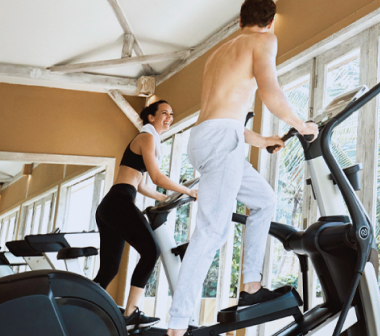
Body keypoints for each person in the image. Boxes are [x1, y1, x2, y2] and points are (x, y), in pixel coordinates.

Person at [166, 0, 319, 334]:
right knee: (212, 231)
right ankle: (177, 324)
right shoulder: (264, 40)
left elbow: (223, 116)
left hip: (210, 138)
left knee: (264, 200)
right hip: (222, 141)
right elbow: (271, 91)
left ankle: (251, 286)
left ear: (240, 19)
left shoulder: (220, 52)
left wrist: (262, 141)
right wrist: (301, 124)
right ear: (270, 21)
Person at [93, 100, 198, 331]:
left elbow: (140, 185)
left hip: (112, 203)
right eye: (164, 113)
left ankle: (82, 308)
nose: (169, 117)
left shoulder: (147, 139)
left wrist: (165, 199)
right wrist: (187, 190)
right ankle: (131, 313)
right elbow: (158, 178)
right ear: (150, 117)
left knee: (109, 269)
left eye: (171, 114)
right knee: (152, 251)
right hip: (119, 201)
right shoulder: (147, 138)